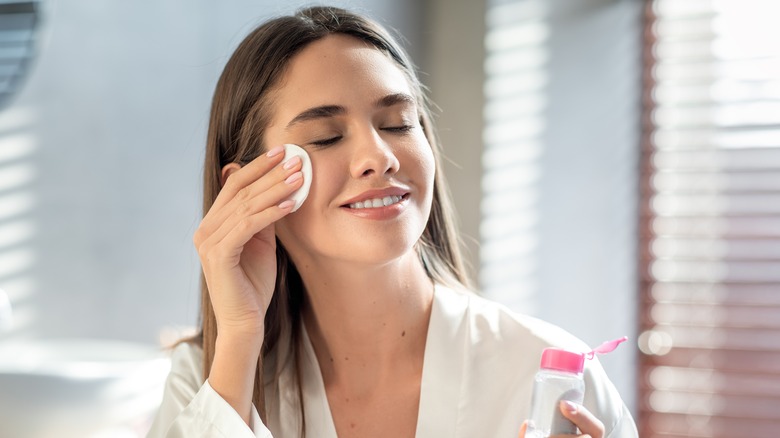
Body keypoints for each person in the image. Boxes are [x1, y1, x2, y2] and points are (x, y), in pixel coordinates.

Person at [148, 6, 638, 438]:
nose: (378, 156)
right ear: (248, 190)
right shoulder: (206, 378)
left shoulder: (549, 379)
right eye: (324, 137)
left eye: (398, 124)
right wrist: (237, 339)